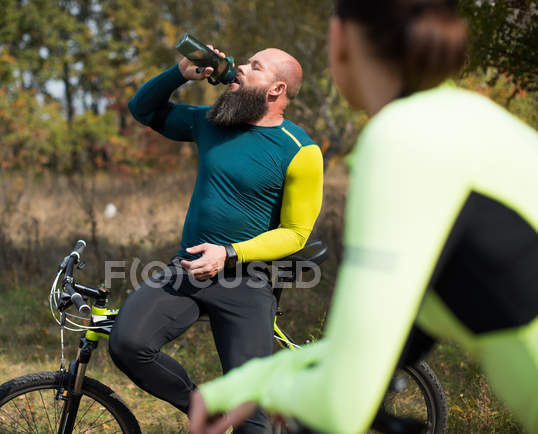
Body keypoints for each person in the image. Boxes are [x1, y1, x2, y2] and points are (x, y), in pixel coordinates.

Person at [189, 0, 538, 432]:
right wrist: (253, 380)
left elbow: (341, 402)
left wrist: (265, 387)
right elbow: (395, 336)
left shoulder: (401, 139)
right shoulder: (476, 120)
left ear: (341, 41)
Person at [108, 45, 324, 433]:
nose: (240, 67)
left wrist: (228, 253)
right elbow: (142, 109)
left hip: (248, 279)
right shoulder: (213, 121)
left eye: (253, 66)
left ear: (276, 90)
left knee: (251, 416)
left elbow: (296, 233)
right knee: (127, 343)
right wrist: (178, 73)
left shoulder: (301, 152)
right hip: (187, 269)